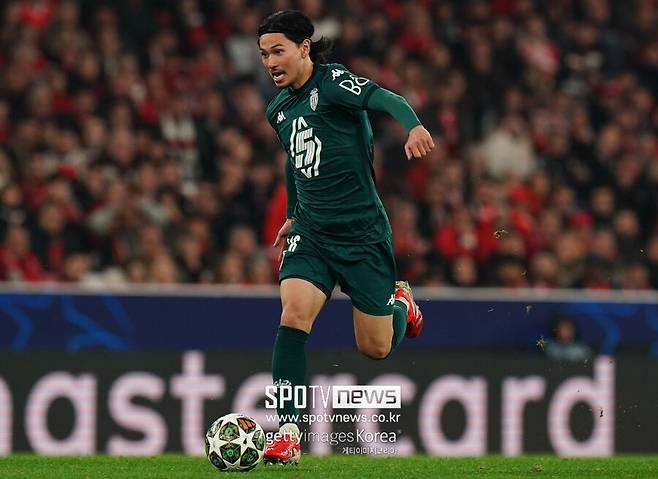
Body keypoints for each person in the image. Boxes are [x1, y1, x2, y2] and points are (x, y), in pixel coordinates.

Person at [258, 10, 434, 465]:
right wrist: (293, 214)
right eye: (264, 54)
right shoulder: (278, 109)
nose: (270, 61)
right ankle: (288, 433)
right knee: (293, 315)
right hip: (313, 233)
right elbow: (293, 159)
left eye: (278, 50)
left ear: (303, 48)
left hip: (362, 237)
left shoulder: (333, 82)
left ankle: (401, 303)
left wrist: (413, 124)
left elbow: (385, 98)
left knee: (375, 348)